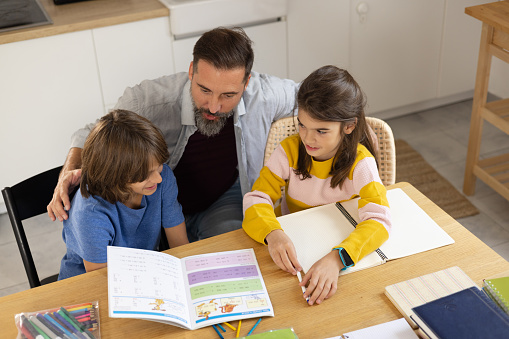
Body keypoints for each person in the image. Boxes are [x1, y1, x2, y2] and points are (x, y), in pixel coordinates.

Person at [47, 27, 299, 242]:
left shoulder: (265, 94)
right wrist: (66, 174)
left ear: (246, 83)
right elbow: (89, 134)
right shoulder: (146, 102)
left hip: (222, 199)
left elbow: (316, 99)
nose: (213, 106)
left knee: (236, 254)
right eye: (204, 90)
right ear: (191, 71)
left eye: (228, 95)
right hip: (155, 204)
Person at [242, 66, 391, 306]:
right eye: (302, 125)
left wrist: (337, 259)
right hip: (296, 254)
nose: (308, 139)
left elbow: (379, 220)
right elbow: (256, 198)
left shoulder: (361, 163)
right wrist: (273, 233)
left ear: (349, 126)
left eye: (321, 131)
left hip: (344, 256)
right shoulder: (288, 151)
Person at [59, 110, 189, 280]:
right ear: (114, 173)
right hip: (89, 287)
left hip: (142, 275)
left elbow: (180, 246)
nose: (158, 178)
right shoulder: (90, 212)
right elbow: (100, 280)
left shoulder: (163, 178)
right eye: (146, 174)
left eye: (159, 166)